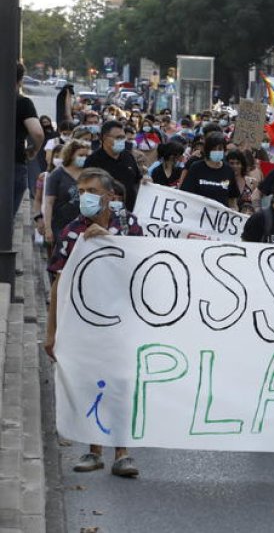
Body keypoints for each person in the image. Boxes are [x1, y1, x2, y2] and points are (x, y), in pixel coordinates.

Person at [44, 168, 142, 478]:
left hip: (122, 321)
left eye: (91, 190)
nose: (83, 196)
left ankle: (122, 452)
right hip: (84, 322)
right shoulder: (72, 231)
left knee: (121, 383)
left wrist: (110, 239)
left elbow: (142, 268)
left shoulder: (129, 226)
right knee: (90, 382)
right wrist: (52, 331)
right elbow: (60, 283)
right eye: (81, 189)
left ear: (110, 196)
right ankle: (93, 449)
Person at [40, 140, 90, 247]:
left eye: (86, 155)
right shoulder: (57, 174)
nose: (84, 158)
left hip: (82, 225)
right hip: (60, 225)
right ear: (71, 155)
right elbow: (48, 203)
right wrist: (48, 228)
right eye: (81, 155)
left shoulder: (88, 174)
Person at [83, 120, 141, 210]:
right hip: (104, 215)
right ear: (105, 138)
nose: (122, 141)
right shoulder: (92, 161)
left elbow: (137, 181)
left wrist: (145, 180)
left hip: (129, 213)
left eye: (123, 138)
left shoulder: (128, 156)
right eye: (118, 138)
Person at [14, 63, 46, 215]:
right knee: (6, 220)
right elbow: (37, 133)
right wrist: (34, 150)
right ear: (20, 81)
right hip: (14, 164)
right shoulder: (23, 103)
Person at [179, 133, 239, 208]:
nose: (217, 151)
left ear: (224, 150)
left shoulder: (229, 170)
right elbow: (186, 194)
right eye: (213, 149)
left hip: (219, 217)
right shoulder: (196, 168)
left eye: (220, 149)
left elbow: (232, 199)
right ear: (207, 150)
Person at [226, 150, 259, 214]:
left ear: (242, 165)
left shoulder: (252, 182)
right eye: (232, 163)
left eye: (238, 163)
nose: (235, 166)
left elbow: (257, 204)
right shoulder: (223, 182)